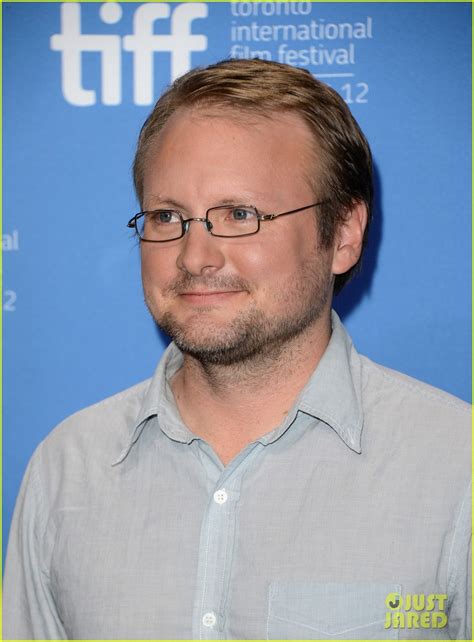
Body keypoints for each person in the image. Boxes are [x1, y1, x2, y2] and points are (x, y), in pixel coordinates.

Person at [4, 58, 470, 641]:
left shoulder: (457, 470)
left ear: (344, 234)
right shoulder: (66, 471)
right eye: (167, 216)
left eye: (240, 214)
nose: (195, 256)